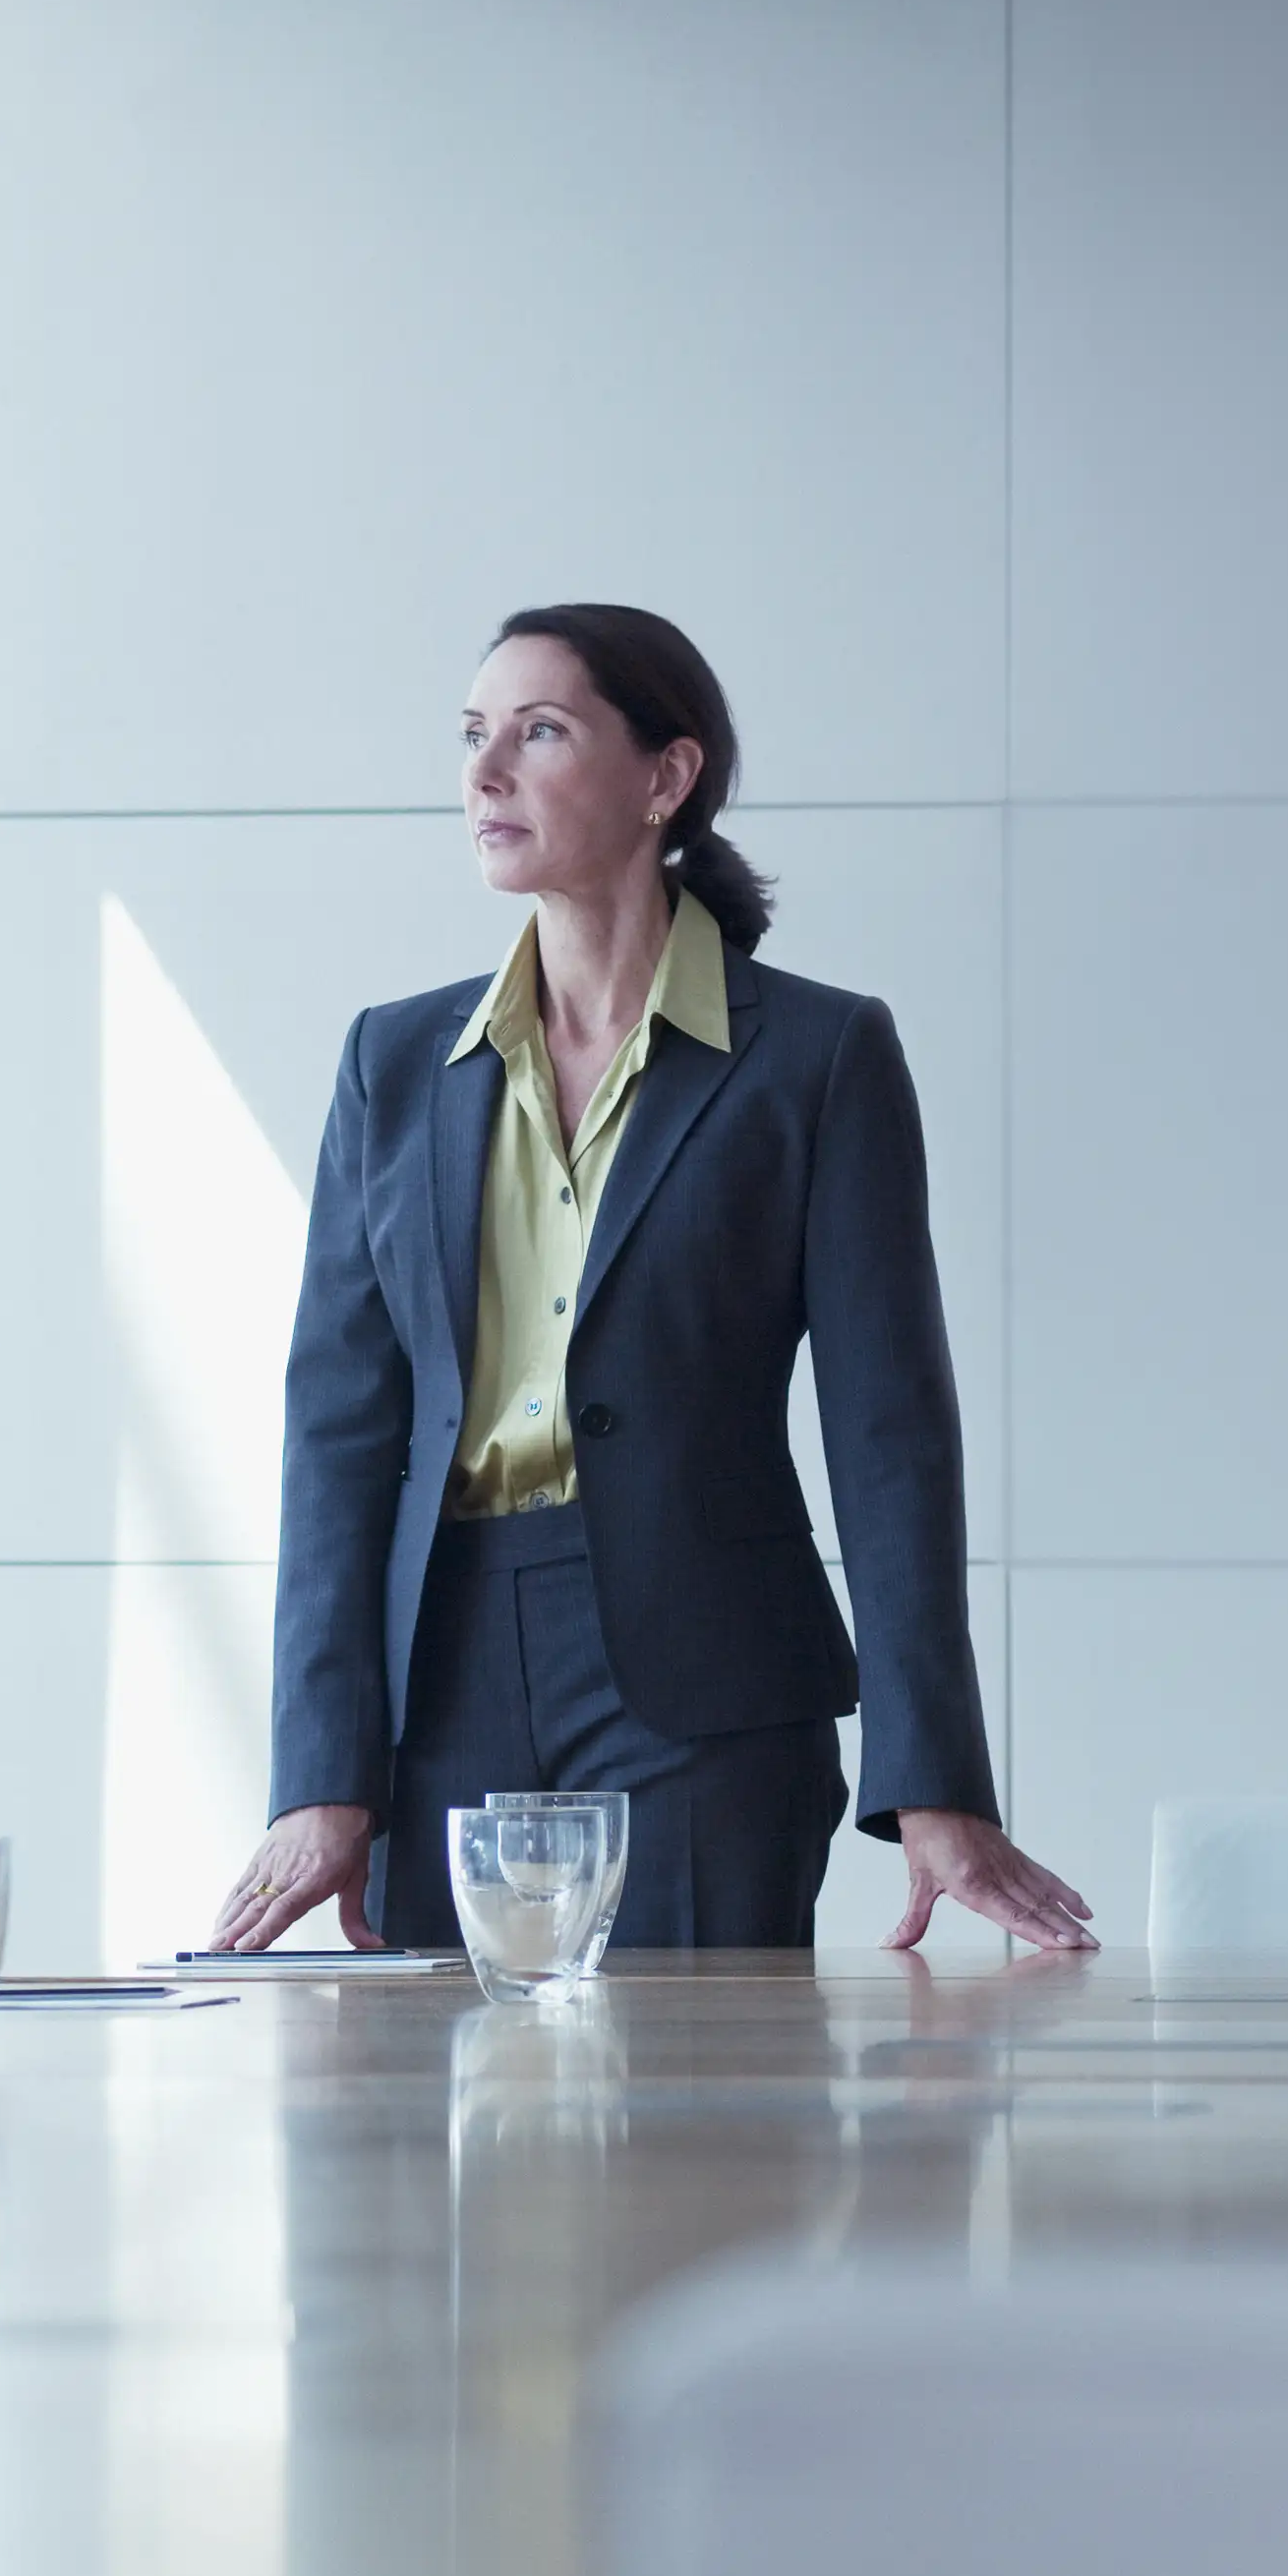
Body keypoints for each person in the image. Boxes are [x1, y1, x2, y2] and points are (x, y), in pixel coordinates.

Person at [205, 603, 1094, 1960]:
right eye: (472, 734)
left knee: (697, 2095)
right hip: (437, 1679)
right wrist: (321, 1773)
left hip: (709, 1694)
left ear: (666, 777)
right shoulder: (393, 1066)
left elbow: (890, 1435)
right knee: (443, 2094)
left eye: (539, 732)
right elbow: (338, 1433)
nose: (484, 771)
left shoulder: (816, 1058)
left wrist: (936, 1784)